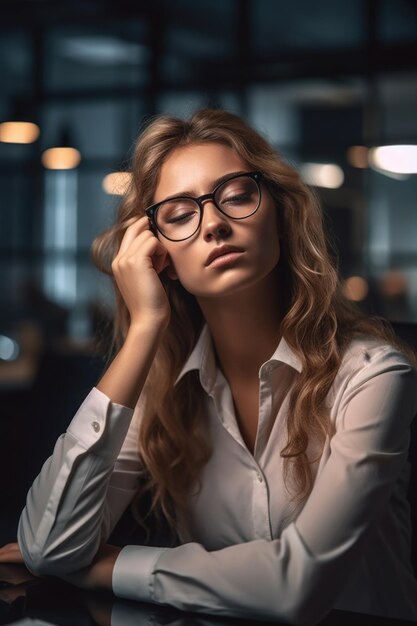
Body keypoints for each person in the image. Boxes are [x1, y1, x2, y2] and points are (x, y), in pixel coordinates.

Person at [1, 108, 417, 625]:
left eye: (237, 195)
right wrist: (144, 330)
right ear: (158, 256)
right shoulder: (163, 390)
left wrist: (108, 567)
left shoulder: (373, 375)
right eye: (178, 215)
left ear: (279, 214)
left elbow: (298, 587)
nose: (215, 224)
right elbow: (47, 546)